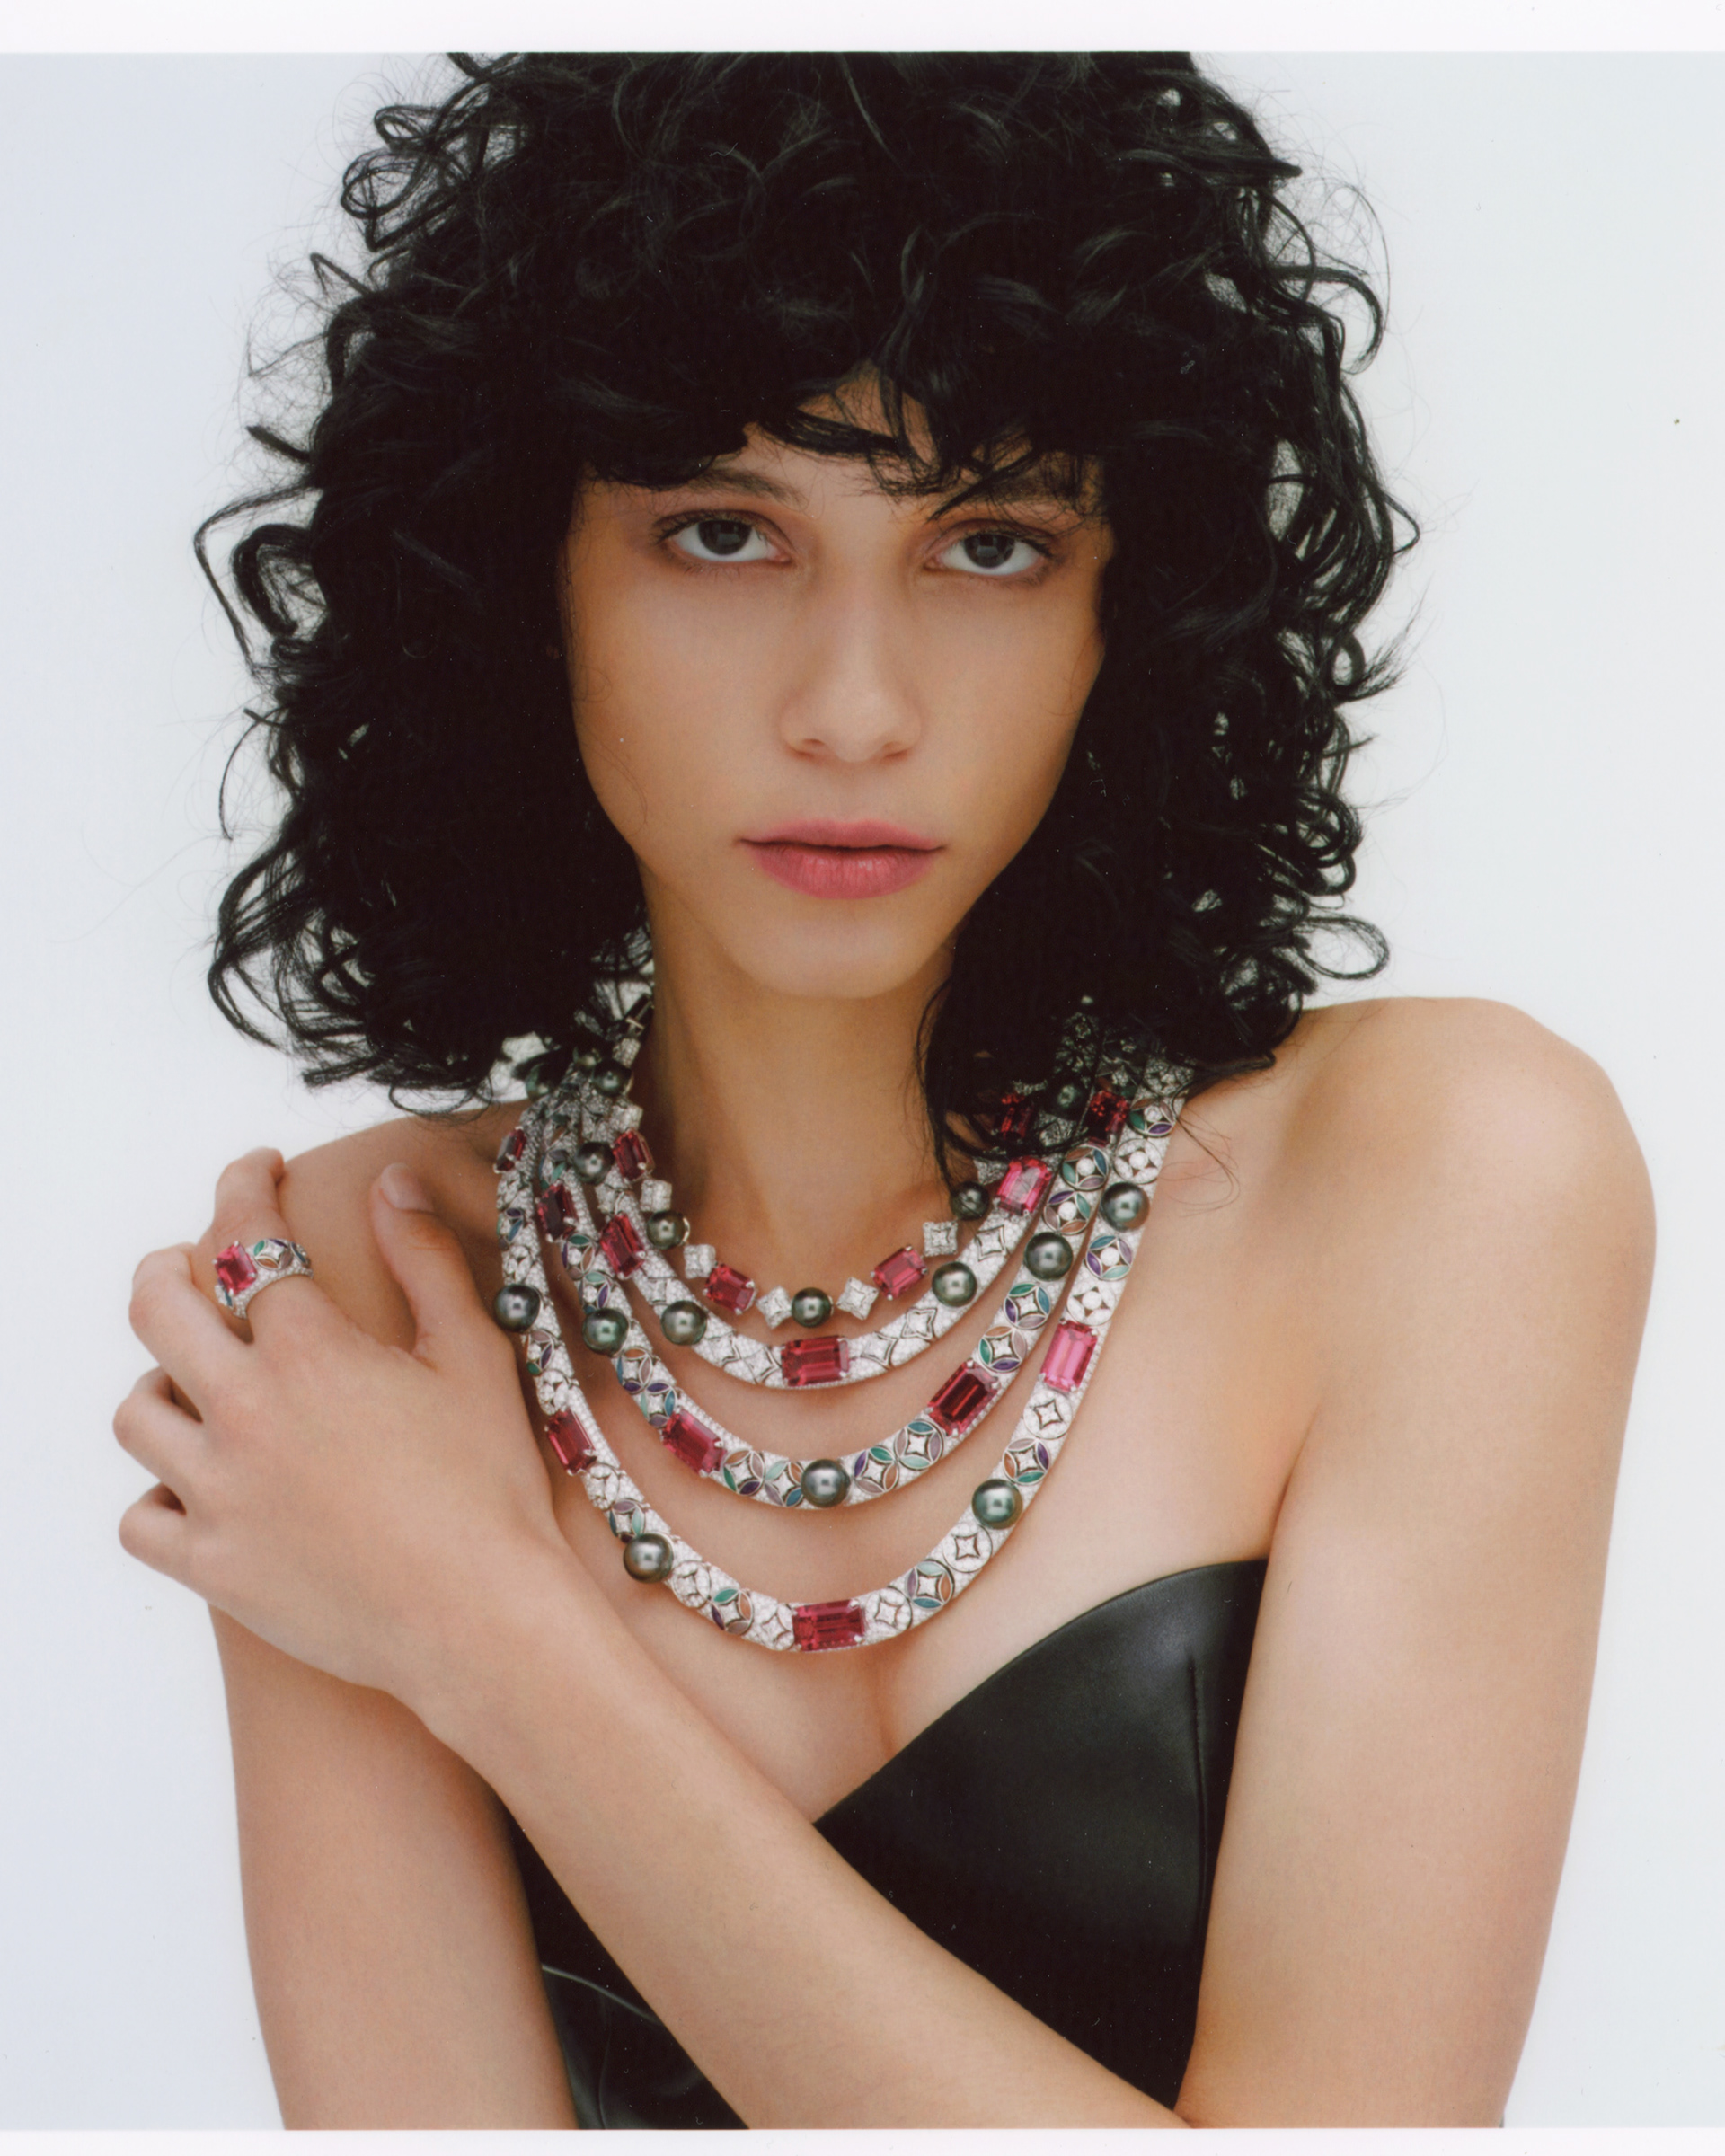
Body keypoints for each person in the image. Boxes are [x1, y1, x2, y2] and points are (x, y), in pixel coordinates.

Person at [111, 52, 1653, 2128]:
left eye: (991, 544)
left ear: (1133, 613)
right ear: (517, 583)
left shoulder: (1445, 1178)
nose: (855, 709)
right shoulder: (350, 1287)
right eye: (720, 532)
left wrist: (487, 1632)